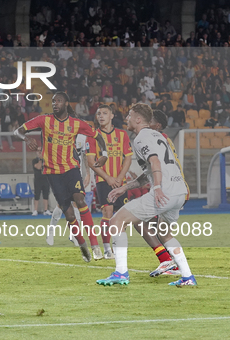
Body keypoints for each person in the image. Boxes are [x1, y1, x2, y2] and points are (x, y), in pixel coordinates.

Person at [96, 104, 195, 287]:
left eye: (129, 115)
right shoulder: (160, 136)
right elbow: (149, 172)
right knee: (165, 234)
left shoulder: (141, 137)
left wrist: (157, 187)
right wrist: (124, 188)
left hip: (164, 191)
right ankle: (187, 276)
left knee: (117, 221)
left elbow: (155, 161)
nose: (126, 119)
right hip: (179, 191)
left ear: (138, 119)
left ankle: (120, 273)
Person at [14, 92, 109, 262]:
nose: (55, 103)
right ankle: (82, 245)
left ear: (66, 104)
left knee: (80, 200)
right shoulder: (44, 120)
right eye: (53, 101)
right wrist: (27, 138)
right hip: (52, 173)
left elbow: (98, 136)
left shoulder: (76, 124)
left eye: (58, 101)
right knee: (70, 215)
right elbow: (18, 131)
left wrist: (105, 154)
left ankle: (95, 246)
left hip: (71, 169)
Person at [86, 105, 133, 260]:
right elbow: (91, 162)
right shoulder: (93, 136)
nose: (101, 116)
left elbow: (128, 157)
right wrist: (108, 178)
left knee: (123, 215)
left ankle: (117, 245)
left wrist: (119, 177)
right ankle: (107, 250)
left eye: (105, 113)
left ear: (112, 116)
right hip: (103, 179)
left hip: (120, 180)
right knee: (108, 212)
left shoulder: (122, 134)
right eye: (98, 113)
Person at [31, 151, 50, 217]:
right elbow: (38, 167)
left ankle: (46, 210)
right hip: (38, 180)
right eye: (39, 152)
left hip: (46, 179)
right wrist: (40, 160)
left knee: (46, 195)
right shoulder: (35, 160)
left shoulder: (46, 160)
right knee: (37, 195)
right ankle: (35, 210)